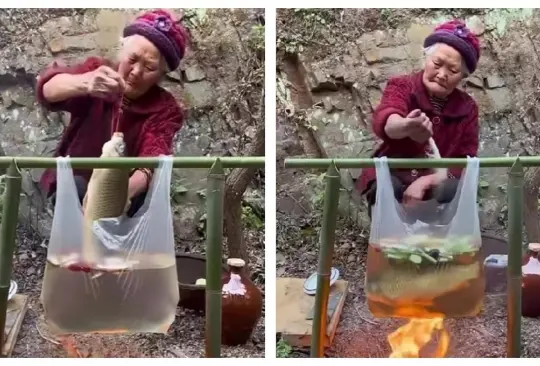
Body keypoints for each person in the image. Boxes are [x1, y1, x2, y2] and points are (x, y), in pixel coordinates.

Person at [37, 9, 189, 217]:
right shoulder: (97, 71)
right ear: (122, 51)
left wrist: (113, 197)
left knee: (139, 203)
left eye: (149, 67)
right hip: (74, 185)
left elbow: (152, 159)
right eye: (132, 59)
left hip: (124, 199)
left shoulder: (165, 109)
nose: (136, 72)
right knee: (74, 188)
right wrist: (85, 83)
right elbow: (48, 91)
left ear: (161, 74)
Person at [357, 20, 481, 217]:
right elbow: (387, 117)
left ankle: (440, 243)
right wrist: (406, 126)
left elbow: (465, 160)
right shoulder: (403, 85)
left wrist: (426, 181)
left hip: (437, 180)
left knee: (452, 189)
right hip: (395, 173)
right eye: (437, 64)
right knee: (389, 188)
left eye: (453, 70)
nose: (442, 75)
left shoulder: (468, 108)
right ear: (426, 58)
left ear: (463, 76)